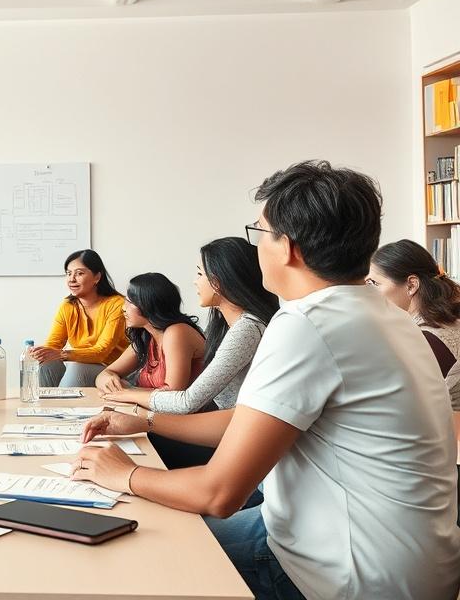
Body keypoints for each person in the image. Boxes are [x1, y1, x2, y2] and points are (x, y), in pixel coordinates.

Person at [73, 161, 460, 600]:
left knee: (142, 554)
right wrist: (145, 423)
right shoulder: (387, 317)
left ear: (288, 248)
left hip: (347, 576)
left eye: (259, 233)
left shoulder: (307, 322)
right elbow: (250, 419)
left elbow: (219, 493)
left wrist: (123, 474)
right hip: (406, 561)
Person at [101, 238, 279, 469]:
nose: (195, 282)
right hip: (225, 433)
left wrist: (128, 394)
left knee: (136, 445)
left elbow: (187, 401)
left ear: (218, 282)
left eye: (199, 274)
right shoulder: (226, 325)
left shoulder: (247, 328)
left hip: (237, 443)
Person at [368, 238, 460, 408]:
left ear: (411, 285)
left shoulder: (426, 341)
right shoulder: (449, 322)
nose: (369, 293)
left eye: (374, 283)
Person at [93, 273, 205, 394]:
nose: (124, 308)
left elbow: (173, 395)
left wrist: (128, 391)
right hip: (153, 410)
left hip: (189, 412)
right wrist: (110, 381)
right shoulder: (146, 336)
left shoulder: (177, 332)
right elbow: (105, 374)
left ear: (149, 305)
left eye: (130, 302)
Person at [34, 249, 128, 388]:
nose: (72, 279)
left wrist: (63, 354)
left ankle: (63, 409)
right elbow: (52, 346)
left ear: (97, 277)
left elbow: (102, 352)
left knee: (77, 368)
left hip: (112, 369)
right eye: (68, 273)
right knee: (45, 363)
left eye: (79, 273)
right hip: (79, 365)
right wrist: (41, 353)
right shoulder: (68, 306)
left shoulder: (116, 304)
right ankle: (44, 408)